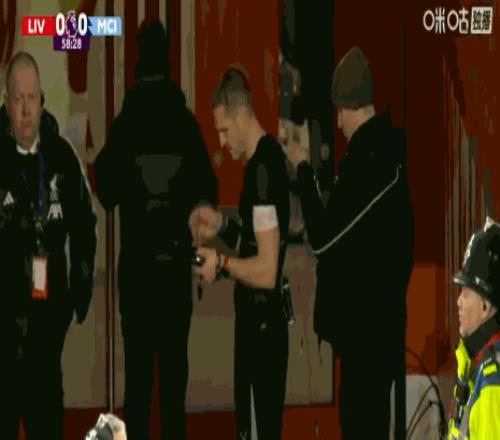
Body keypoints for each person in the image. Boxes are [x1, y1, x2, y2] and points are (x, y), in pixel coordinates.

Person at [94, 20, 217, 440]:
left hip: (137, 272)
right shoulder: (184, 122)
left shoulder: (127, 123)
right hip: (174, 271)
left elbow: (105, 187)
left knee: (138, 386)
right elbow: (207, 188)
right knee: (173, 389)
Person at [286, 46, 414, 439]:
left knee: (361, 425)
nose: (337, 123)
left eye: (338, 112)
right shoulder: (384, 157)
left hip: (366, 336)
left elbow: (325, 237)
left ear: (345, 107)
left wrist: (303, 171)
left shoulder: (369, 159)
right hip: (377, 330)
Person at [0, 51, 97, 439]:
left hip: (46, 330)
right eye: (18, 99)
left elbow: (85, 225)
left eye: (32, 98)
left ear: (42, 100)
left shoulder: (60, 157)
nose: (26, 111)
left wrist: (79, 292)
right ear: (6, 103)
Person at [190, 66, 290, 439]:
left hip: (261, 333)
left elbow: (266, 270)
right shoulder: (261, 164)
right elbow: (254, 242)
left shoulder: (263, 169)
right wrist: (221, 226)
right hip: (259, 328)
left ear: (241, 115)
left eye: (223, 130)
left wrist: (221, 263)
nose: (221, 142)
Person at [448, 217, 500, 439]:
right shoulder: (476, 364)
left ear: (485, 306)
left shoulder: (493, 382)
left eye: (466, 292)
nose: (459, 302)